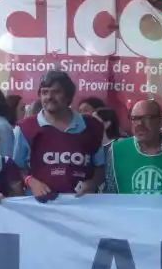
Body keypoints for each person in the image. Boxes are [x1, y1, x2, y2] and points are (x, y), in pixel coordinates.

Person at [13, 70, 105, 198]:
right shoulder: (25, 128)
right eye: (45, 92)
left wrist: (92, 183)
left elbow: (100, 167)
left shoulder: (91, 126)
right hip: (40, 206)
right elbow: (15, 169)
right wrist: (31, 182)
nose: (49, 97)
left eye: (56, 92)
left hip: (82, 205)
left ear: (68, 96)